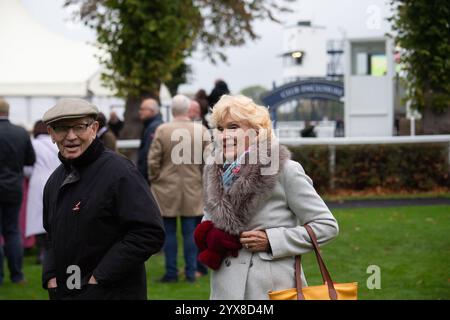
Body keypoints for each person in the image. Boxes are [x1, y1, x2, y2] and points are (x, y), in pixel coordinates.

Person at [194, 95, 339, 299]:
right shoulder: (215, 171)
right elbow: (208, 218)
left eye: (233, 127)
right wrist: (211, 234)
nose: (224, 135)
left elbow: (326, 226)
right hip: (224, 287)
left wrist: (272, 240)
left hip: (270, 289)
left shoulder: (284, 169)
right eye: (219, 128)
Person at [41, 98, 165, 300]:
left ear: (94, 128)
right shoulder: (54, 181)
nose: (70, 136)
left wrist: (98, 279)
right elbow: (51, 235)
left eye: (79, 127)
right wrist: (51, 277)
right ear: (51, 134)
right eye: (62, 128)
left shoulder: (120, 172)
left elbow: (148, 233)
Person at [148, 95, 211, 283]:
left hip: (165, 188)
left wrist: (155, 178)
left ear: (172, 110)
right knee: (190, 232)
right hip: (193, 186)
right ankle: (192, 272)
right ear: (187, 109)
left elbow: (153, 160)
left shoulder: (162, 130)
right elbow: (209, 161)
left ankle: (171, 273)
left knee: (168, 233)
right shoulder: (201, 131)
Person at [0, 98, 36, 285]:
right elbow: (30, 160)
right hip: (14, 187)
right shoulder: (21, 133)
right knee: (13, 231)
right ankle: (17, 275)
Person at [25, 121, 60, 265]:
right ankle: (57, 251)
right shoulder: (57, 143)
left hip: (37, 182)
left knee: (38, 219)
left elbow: (26, 168)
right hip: (58, 179)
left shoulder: (33, 144)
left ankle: (42, 252)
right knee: (57, 217)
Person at [137, 98, 163, 183]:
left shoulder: (153, 128)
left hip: (149, 180)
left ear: (151, 111)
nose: (139, 112)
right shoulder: (153, 125)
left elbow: (148, 155)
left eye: (142, 109)